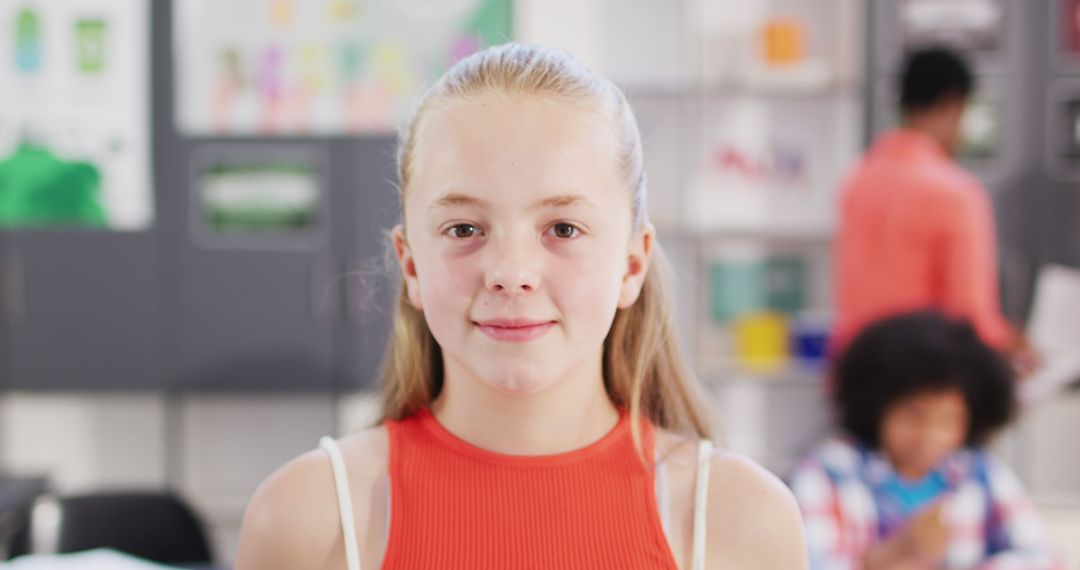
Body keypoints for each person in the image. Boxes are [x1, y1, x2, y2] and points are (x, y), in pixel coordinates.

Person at [234, 43, 807, 569]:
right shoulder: (309, 519)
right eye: (463, 228)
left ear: (632, 264)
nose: (510, 273)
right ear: (410, 263)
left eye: (562, 227)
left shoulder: (740, 523)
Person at [790, 311, 1063, 569]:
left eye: (949, 420)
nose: (929, 435)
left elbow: (1043, 558)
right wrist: (891, 555)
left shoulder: (980, 472)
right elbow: (806, 564)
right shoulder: (830, 471)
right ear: (876, 407)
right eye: (914, 416)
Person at [833, 47, 1031, 371]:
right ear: (953, 104)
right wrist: (1011, 344)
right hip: (926, 386)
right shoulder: (956, 192)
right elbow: (970, 317)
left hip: (860, 380)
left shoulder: (858, 182)